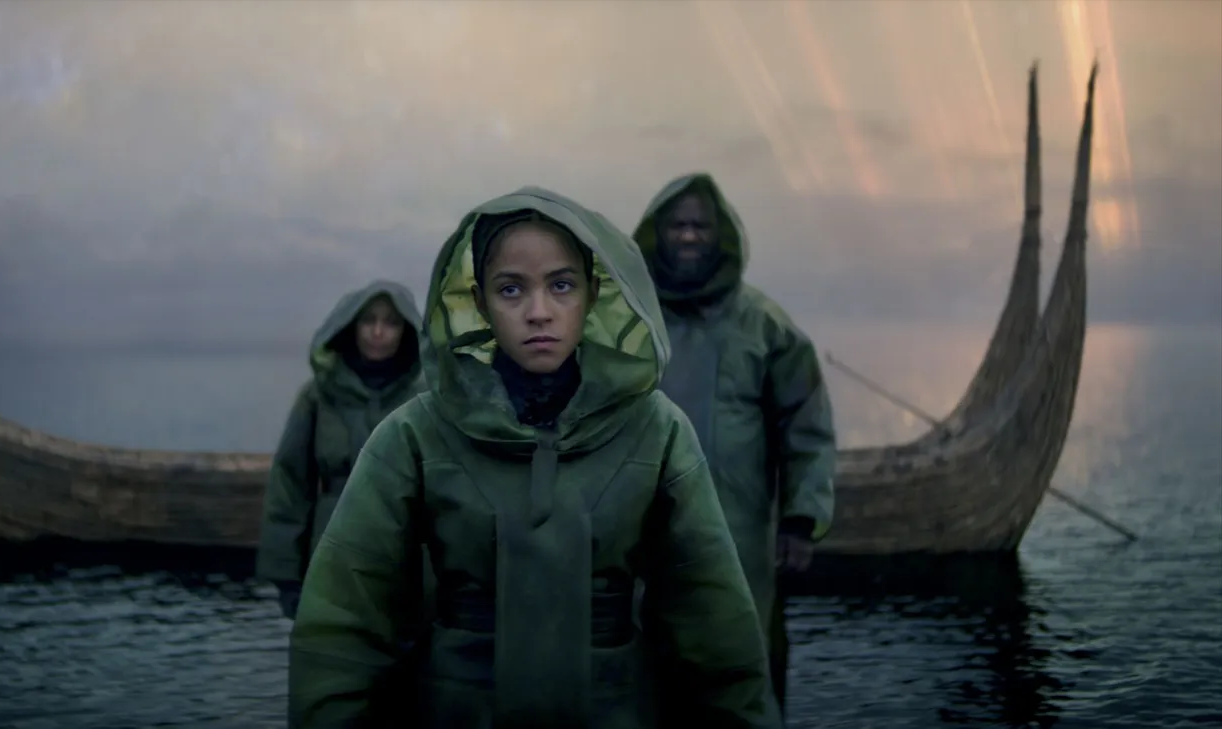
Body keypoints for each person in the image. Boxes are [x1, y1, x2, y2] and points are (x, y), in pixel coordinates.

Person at [287, 186, 782, 729]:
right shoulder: (414, 435)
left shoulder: (657, 432)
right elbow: (345, 627)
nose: (538, 312)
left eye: (561, 285)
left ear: (594, 294)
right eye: (511, 289)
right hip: (457, 708)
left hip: (615, 708)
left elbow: (714, 630)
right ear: (479, 303)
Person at [631, 172, 837, 714]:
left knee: (745, 664)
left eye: (701, 225)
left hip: (739, 533)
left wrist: (799, 520)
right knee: (644, 664)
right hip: (640, 530)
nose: (690, 236)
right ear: (657, 233)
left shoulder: (765, 326)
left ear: (721, 235)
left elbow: (807, 425)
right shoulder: (627, 323)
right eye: (677, 225)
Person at [255, 280, 425, 620]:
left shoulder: (425, 399)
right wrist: (286, 576)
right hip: (330, 553)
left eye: (390, 322)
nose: (378, 332)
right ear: (351, 326)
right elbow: (291, 483)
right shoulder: (318, 395)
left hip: (407, 560)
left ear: (406, 331)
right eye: (368, 320)